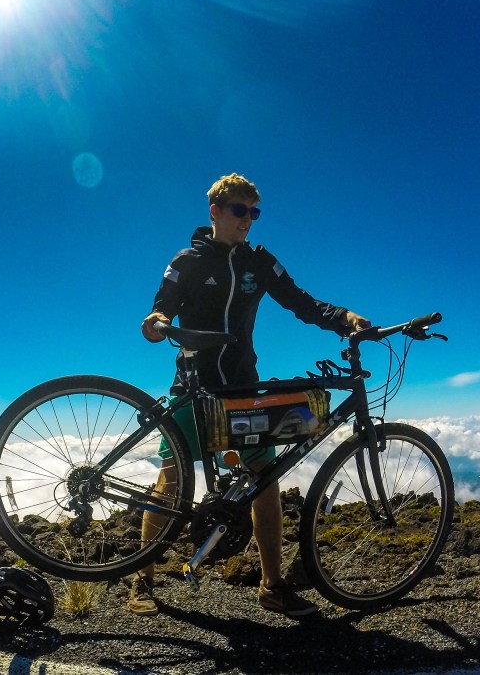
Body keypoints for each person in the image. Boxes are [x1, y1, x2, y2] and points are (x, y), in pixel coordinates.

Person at [131, 172, 371, 618]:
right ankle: (141, 576)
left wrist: (343, 317)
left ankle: (272, 586)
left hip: (242, 387)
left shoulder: (259, 263)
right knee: (172, 484)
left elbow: (302, 302)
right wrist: (156, 320)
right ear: (215, 212)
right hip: (193, 387)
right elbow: (162, 303)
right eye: (240, 211)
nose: (247, 220)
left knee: (264, 480)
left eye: (253, 212)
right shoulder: (187, 261)